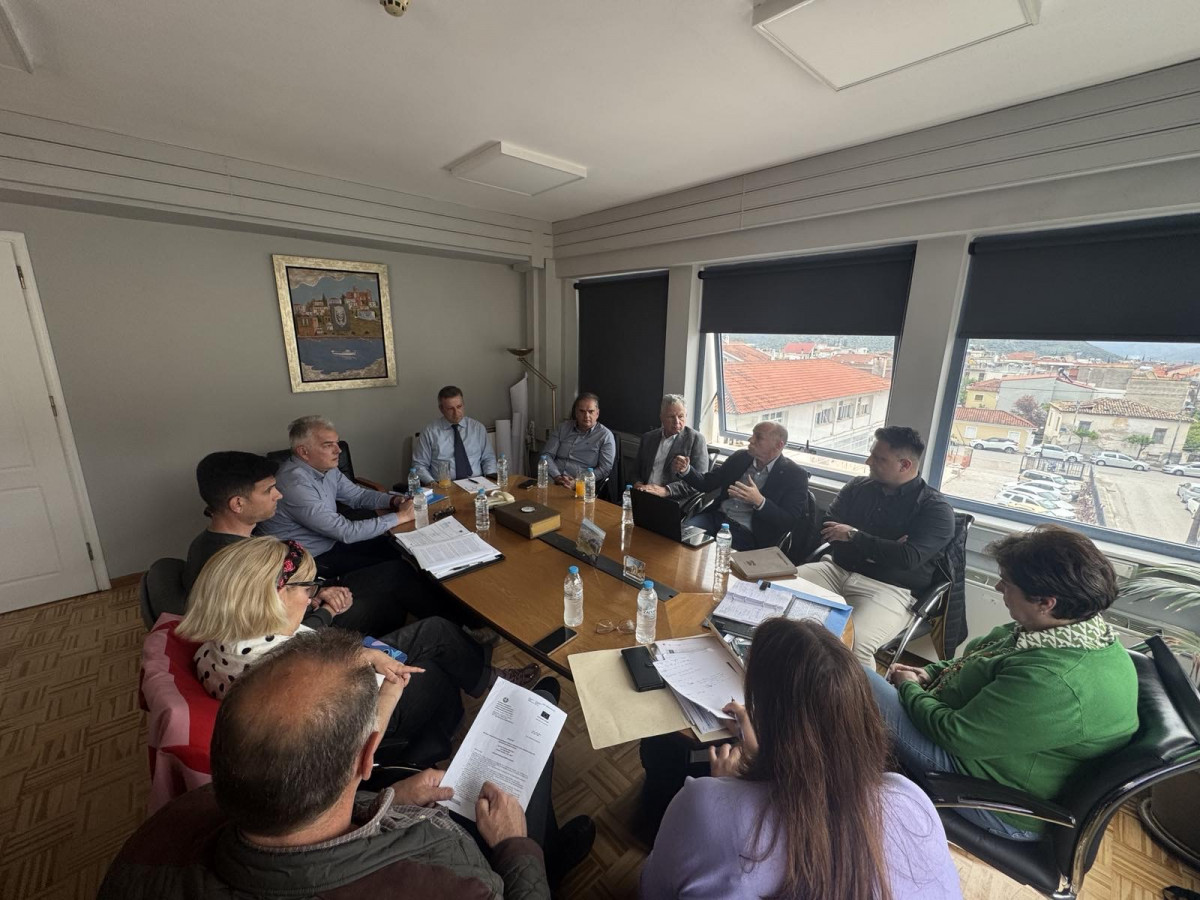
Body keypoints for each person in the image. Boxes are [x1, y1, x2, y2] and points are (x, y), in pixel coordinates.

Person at [99, 627, 594, 899]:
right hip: (492, 858)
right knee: (538, 725)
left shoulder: (160, 834)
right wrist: (514, 848)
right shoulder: (453, 883)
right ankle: (543, 856)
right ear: (366, 757)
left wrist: (386, 798)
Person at [640, 618, 961, 900]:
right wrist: (762, 753)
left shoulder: (706, 807)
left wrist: (725, 790)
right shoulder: (912, 800)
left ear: (764, 713)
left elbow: (652, 890)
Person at [868, 525, 1139, 841]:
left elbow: (955, 734)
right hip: (977, 746)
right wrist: (931, 672)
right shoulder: (1065, 630)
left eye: (1007, 583)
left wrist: (909, 686)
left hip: (986, 790)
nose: (998, 587)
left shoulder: (1054, 680)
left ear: (1046, 602)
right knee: (856, 689)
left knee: (855, 678)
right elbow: (980, 658)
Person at [177, 536, 540, 751]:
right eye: (308, 588)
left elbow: (302, 639)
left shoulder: (224, 637)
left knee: (422, 629)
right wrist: (384, 671)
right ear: (275, 597)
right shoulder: (293, 666)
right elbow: (359, 723)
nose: (311, 595)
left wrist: (326, 615)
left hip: (344, 674)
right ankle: (488, 685)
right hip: (368, 714)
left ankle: (483, 677)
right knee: (436, 644)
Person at [186, 450, 415, 634]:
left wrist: (317, 592)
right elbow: (281, 634)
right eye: (268, 491)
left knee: (397, 570)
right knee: (396, 594)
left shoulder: (209, 542)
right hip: (313, 628)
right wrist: (326, 608)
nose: (278, 495)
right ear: (238, 504)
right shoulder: (237, 564)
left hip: (308, 593)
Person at [797, 425, 955, 666]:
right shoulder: (857, 487)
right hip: (834, 570)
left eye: (879, 458)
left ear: (904, 465)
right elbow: (827, 527)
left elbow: (907, 558)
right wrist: (887, 546)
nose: (868, 461)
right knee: (769, 592)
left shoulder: (935, 509)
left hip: (889, 588)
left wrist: (853, 535)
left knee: (853, 643)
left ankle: (859, 693)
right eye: (871, 454)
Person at [257, 415, 413, 578]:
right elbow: (346, 532)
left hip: (330, 541)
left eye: (337, 443)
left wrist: (394, 500)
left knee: (393, 546)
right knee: (397, 567)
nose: (338, 450)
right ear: (303, 452)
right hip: (306, 561)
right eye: (328, 445)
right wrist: (401, 517)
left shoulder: (326, 468)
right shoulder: (294, 485)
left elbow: (357, 496)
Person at [673, 421, 808, 550]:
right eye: (752, 434)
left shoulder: (795, 475)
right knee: (678, 537)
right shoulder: (740, 457)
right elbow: (707, 483)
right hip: (715, 518)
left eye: (758, 437)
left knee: (717, 558)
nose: (751, 440)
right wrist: (686, 470)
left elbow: (789, 520)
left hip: (747, 532)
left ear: (778, 445)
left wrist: (760, 501)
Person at [412, 385, 497, 485]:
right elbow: (419, 465)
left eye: (459, 407)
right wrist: (432, 483)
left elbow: (488, 458)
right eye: (450, 409)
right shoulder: (430, 432)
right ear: (441, 409)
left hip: (477, 483)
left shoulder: (477, 428)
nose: (456, 413)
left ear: (463, 404)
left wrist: (490, 479)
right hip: (444, 486)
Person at [633, 393, 708, 503]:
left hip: (672, 500)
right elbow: (635, 471)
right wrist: (638, 484)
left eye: (681, 416)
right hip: (644, 494)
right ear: (662, 417)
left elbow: (700, 482)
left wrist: (666, 490)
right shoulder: (648, 438)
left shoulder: (696, 440)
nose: (677, 422)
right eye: (671, 417)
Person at [543, 392, 616, 488]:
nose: (586, 416)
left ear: (597, 413)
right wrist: (557, 476)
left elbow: (604, 469)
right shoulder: (562, 428)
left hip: (582, 485)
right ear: (576, 413)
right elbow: (547, 455)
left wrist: (577, 482)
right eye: (582, 411)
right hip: (553, 478)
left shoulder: (605, 436)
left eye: (591, 411)